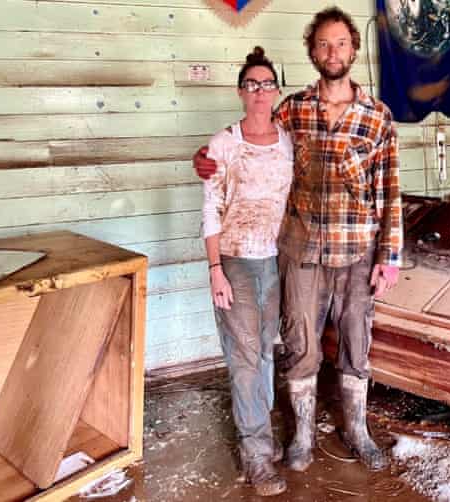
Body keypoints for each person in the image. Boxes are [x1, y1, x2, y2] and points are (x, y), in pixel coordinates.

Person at [196, 7, 402, 473]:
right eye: (324, 44)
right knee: (300, 341)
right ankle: (304, 437)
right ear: (313, 51)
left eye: (341, 43)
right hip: (302, 250)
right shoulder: (292, 109)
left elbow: (390, 191)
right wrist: (208, 159)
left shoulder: (378, 117)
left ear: (353, 49)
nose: (333, 52)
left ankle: (357, 429)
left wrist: (389, 257)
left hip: (358, 249)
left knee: (355, 339)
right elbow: (254, 141)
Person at [202, 46, 293, 496]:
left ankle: (262, 437)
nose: (260, 92)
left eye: (267, 84)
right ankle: (256, 455)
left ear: (276, 91)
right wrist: (215, 269)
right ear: (241, 92)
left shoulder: (287, 141)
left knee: (263, 352)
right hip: (234, 263)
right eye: (252, 84)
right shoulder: (223, 144)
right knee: (242, 358)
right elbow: (210, 210)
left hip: (272, 261)